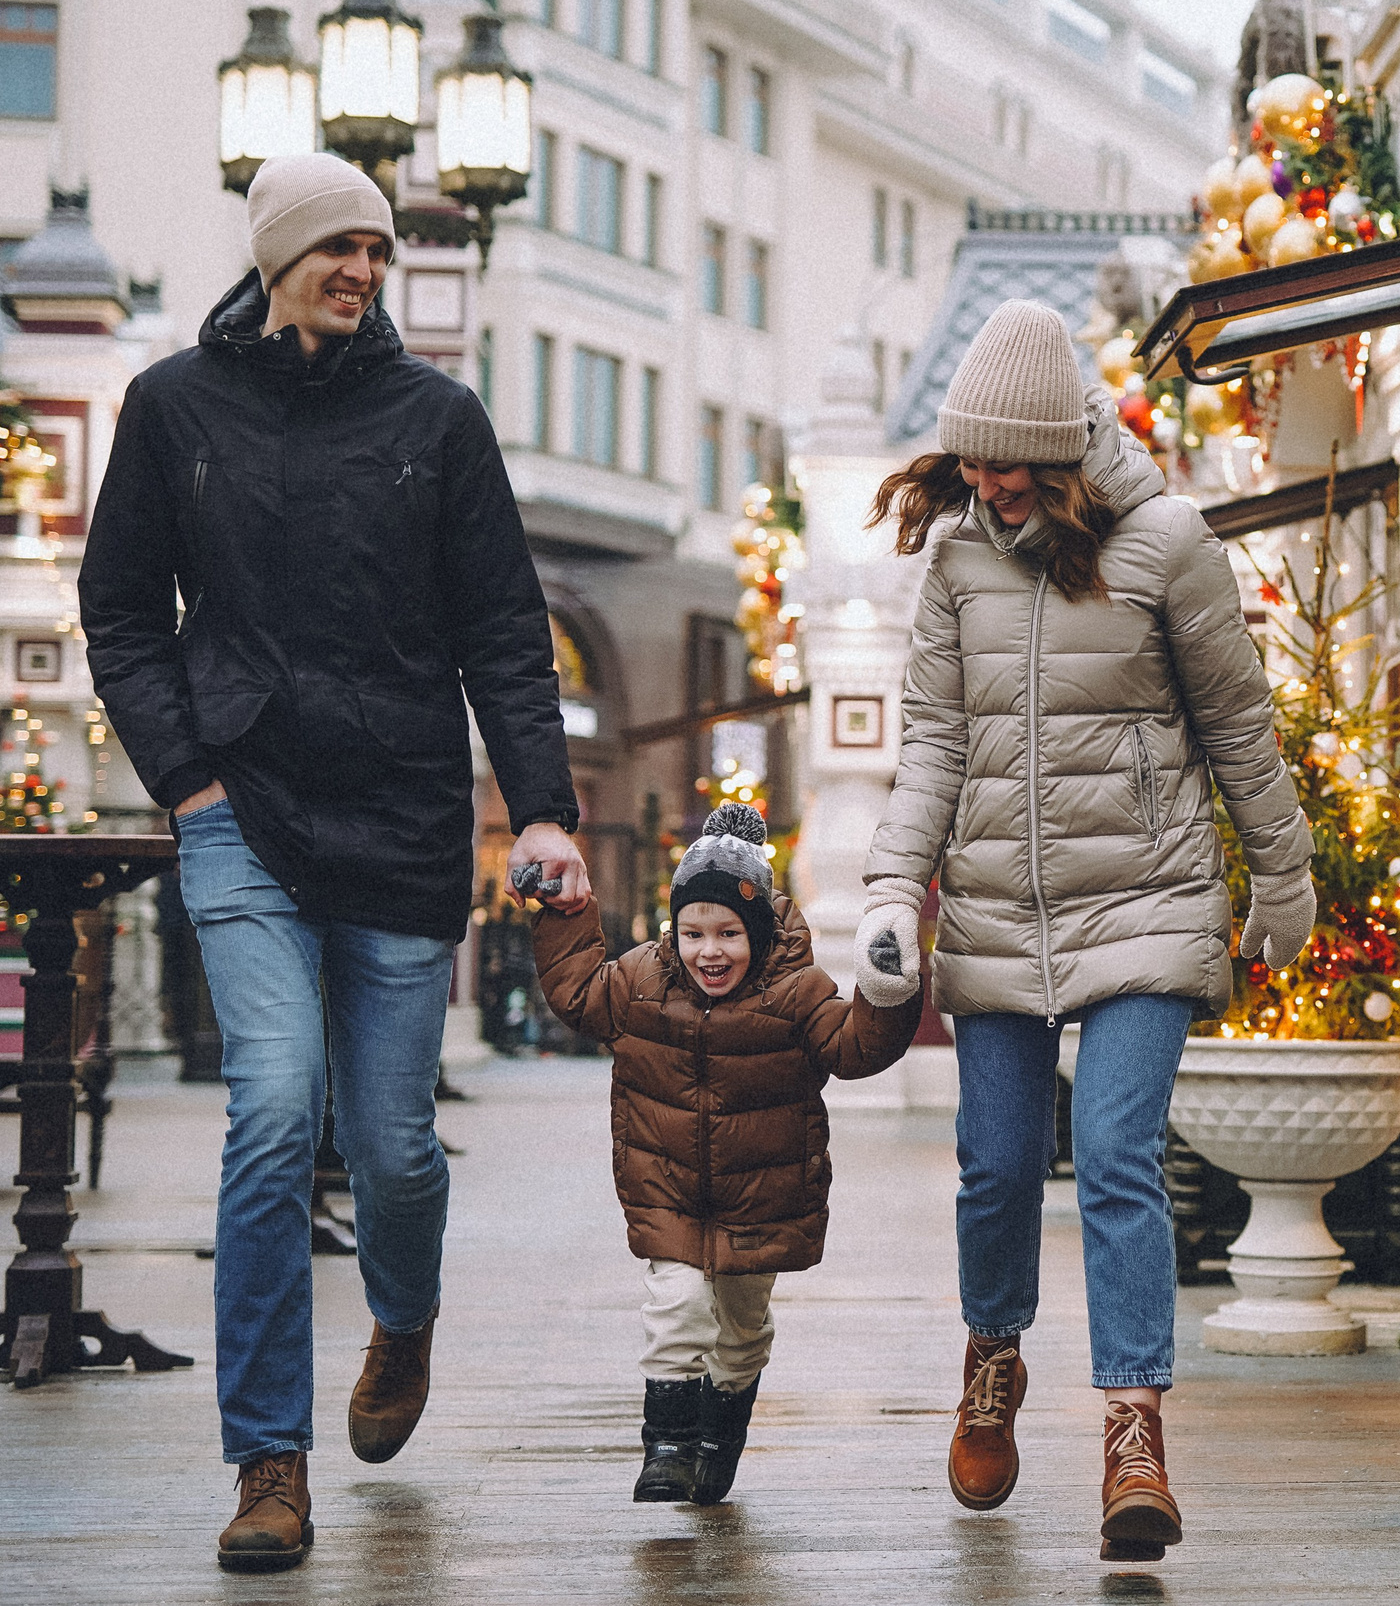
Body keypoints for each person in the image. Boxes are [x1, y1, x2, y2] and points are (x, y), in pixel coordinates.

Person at [79, 152, 587, 1573]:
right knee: (272, 1110)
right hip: (241, 810)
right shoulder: (174, 406)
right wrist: (184, 771)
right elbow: (119, 606)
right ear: (276, 253)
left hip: (403, 814)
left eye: (376, 248)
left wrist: (540, 806)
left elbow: (503, 624)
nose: (364, 268)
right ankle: (267, 1459)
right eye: (339, 246)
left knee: (397, 1147)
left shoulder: (440, 417)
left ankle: (403, 1317)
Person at [855, 300, 1315, 1561]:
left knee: (1114, 1158)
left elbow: (1237, 728)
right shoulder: (956, 560)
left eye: (1008, 463)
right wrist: (893, 892)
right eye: (973, 462)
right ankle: (992, 1358)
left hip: (1148, 901)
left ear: (1063, 450)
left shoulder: (1167, 544)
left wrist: (1283, 881)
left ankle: (1132, 1433)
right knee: (997, 1169)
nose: (988, 483)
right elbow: (935, 750)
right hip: (999, 909)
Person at [530, 802, 921, 1504]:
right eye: (693, 932)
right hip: (669, 1189)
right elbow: (577, 991)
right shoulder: (641, 983)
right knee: (676, 1306)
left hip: (761, 1200)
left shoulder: (796, 994)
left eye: (729, 933)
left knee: (741, 1327)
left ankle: (722, 1427)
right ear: (672, 930)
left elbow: (854, 1044)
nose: (710, 950)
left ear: (760, 932)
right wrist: (565, 913)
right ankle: (669, 1446)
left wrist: (885, 988)